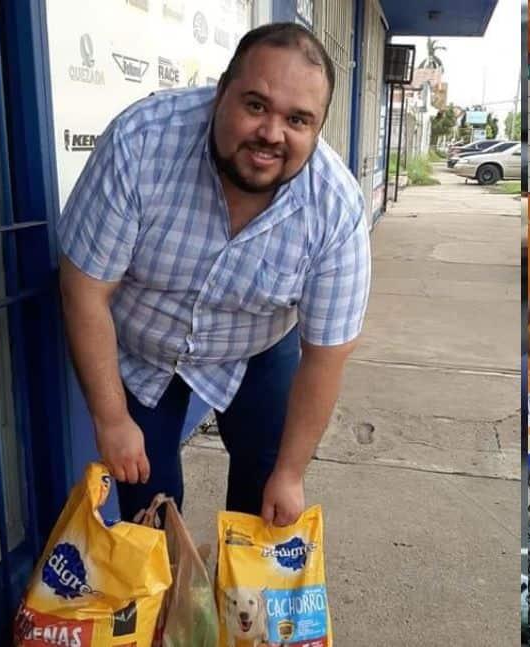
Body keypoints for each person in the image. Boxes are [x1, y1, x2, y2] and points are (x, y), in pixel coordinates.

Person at [56, 22, 370, 527]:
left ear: (319, 127)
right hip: (143, 346)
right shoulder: (141, 143)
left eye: (297, 119)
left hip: (258, 348)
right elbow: (84, 289)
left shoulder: (335, 207)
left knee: (264, 502)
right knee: (150, 509)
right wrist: (111, 419)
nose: (271, 134)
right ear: (220, 92)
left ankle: (237, 600)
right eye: (255, 105)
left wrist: (292, 474)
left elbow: (326, 355)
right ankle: (172, 602)